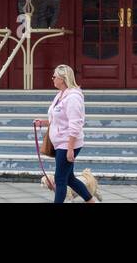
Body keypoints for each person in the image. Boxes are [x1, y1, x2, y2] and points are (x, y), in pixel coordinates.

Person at [34, 64, 97, 204]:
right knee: (69, 178)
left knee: (60, 179)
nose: (52, 79)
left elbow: (75, 124)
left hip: (68, 143)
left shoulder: (73, 97)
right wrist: (43, 122)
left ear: (62, 79)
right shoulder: (61, 95)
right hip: (60, 142)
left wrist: (70, 149)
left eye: (54, 76)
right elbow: (57, 118)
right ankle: (91, 201)